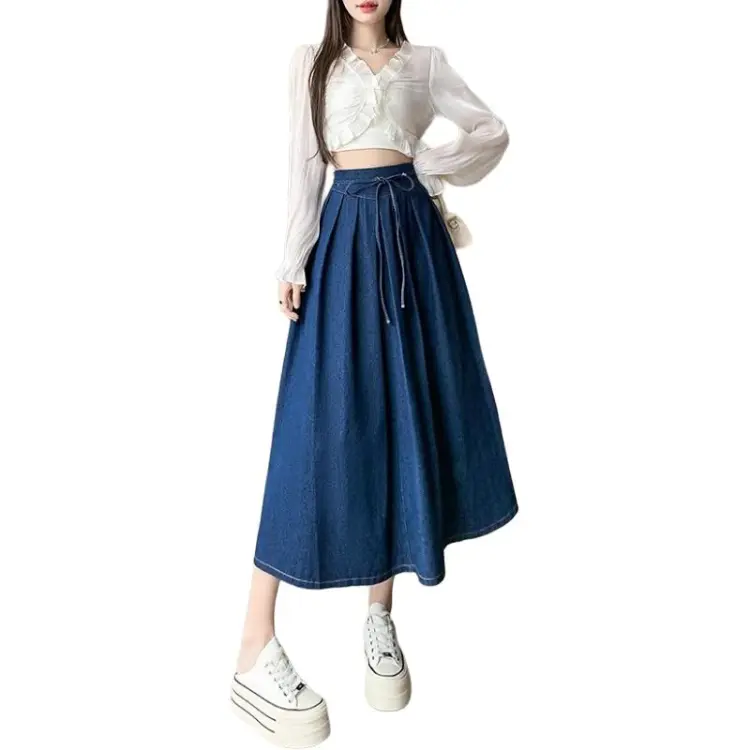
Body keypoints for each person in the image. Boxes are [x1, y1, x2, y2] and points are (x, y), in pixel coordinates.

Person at [230, 1, 518, 745]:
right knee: (315, 431)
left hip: (415, 249)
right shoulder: (311, 63)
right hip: (344, 244)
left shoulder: (426, 63)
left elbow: (490, 130)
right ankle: (254, 642)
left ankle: (379, 614)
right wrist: (292, 259)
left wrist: (428, 166)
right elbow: (303, 167)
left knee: (403, 414)